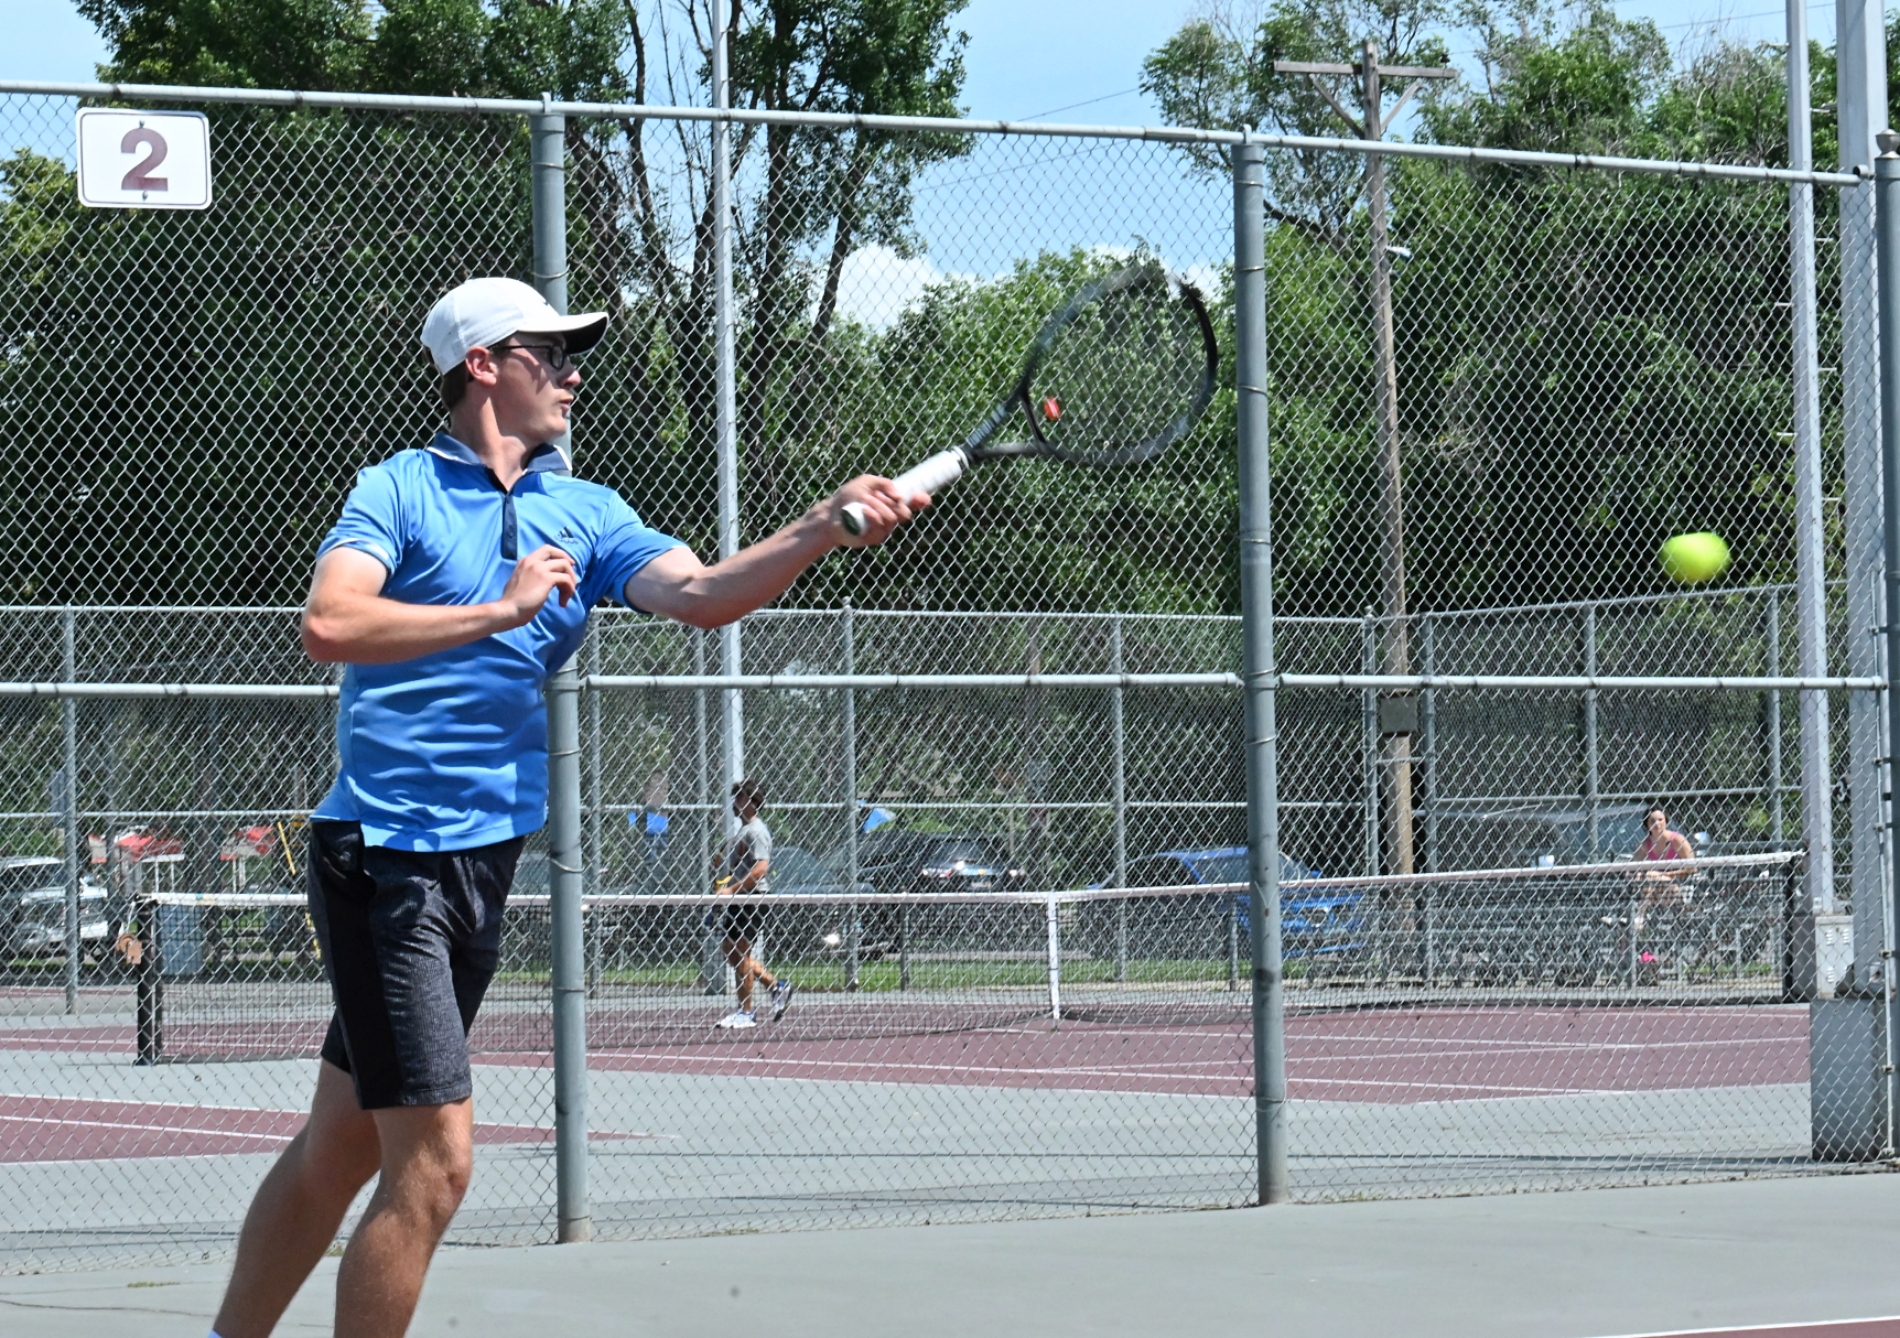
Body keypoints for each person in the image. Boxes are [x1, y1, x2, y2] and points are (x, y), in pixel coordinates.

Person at [207, 276, 922, 1338]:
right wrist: (496, 608)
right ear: (484, 365)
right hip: (386, 856)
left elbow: (702, 595)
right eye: (550, 352)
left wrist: (819, 525)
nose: (574, 372)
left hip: (479, 863)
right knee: (438, 1167)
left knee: (343, 1146)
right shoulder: (397, 490)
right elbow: (330, 621)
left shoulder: (586, 513)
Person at [712, 777, 790, 1029]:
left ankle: (746, 1012)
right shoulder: (744, 830)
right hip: (739, 900)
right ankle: (776, 986)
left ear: (752, 802)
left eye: (740, 797)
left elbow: (760, 869)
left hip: (752, 900)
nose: (735, 802)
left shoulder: (756, 831)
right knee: (731, 951)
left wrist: (732, 888)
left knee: (740, 953)